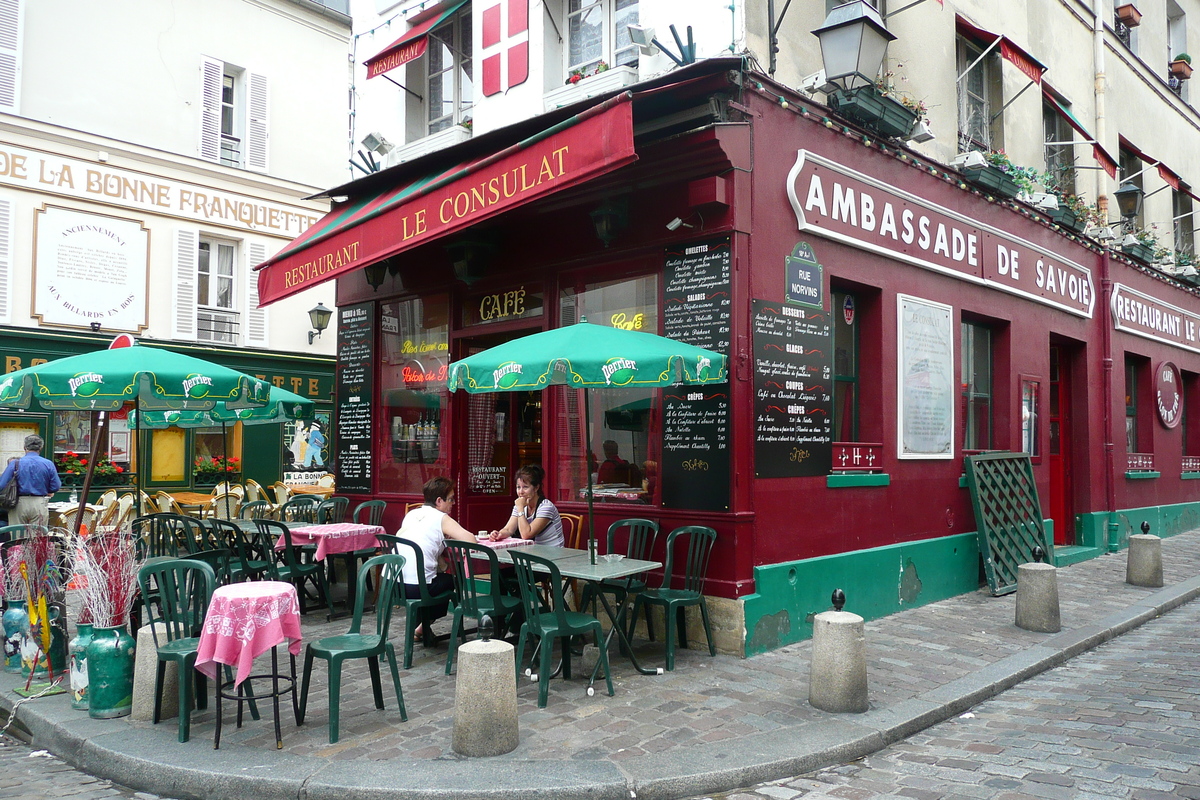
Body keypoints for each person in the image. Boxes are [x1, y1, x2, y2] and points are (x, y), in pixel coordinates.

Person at [392, 476, 476, 639]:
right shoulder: (441, 518)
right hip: (417, 588)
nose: (453, 504)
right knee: (453, 581)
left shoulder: (412, 514)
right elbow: (470, 540)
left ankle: (421, 627)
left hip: (395, 585)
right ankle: (423, 626)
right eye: (451, 500)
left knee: (434, 579)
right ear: (439, 501)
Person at [488, 463, 564, 547]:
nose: (520, 492)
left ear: (536, 488)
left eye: (525, 487)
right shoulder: (520, 505)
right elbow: (509, 529)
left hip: (553, 554)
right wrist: (498, 534)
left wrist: (520, 508)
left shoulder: (546, 507)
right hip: (533, 552)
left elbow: (526, 535)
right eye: (518, 487)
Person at [0, 435, 62, 528]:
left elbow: (2, 485)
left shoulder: (15, 463)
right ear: (40, 448)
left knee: (17, 538)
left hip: (18, 503)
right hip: (40, 502)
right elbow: (55, 486)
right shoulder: (48, 463)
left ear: (25, 447)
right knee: (38, 538)